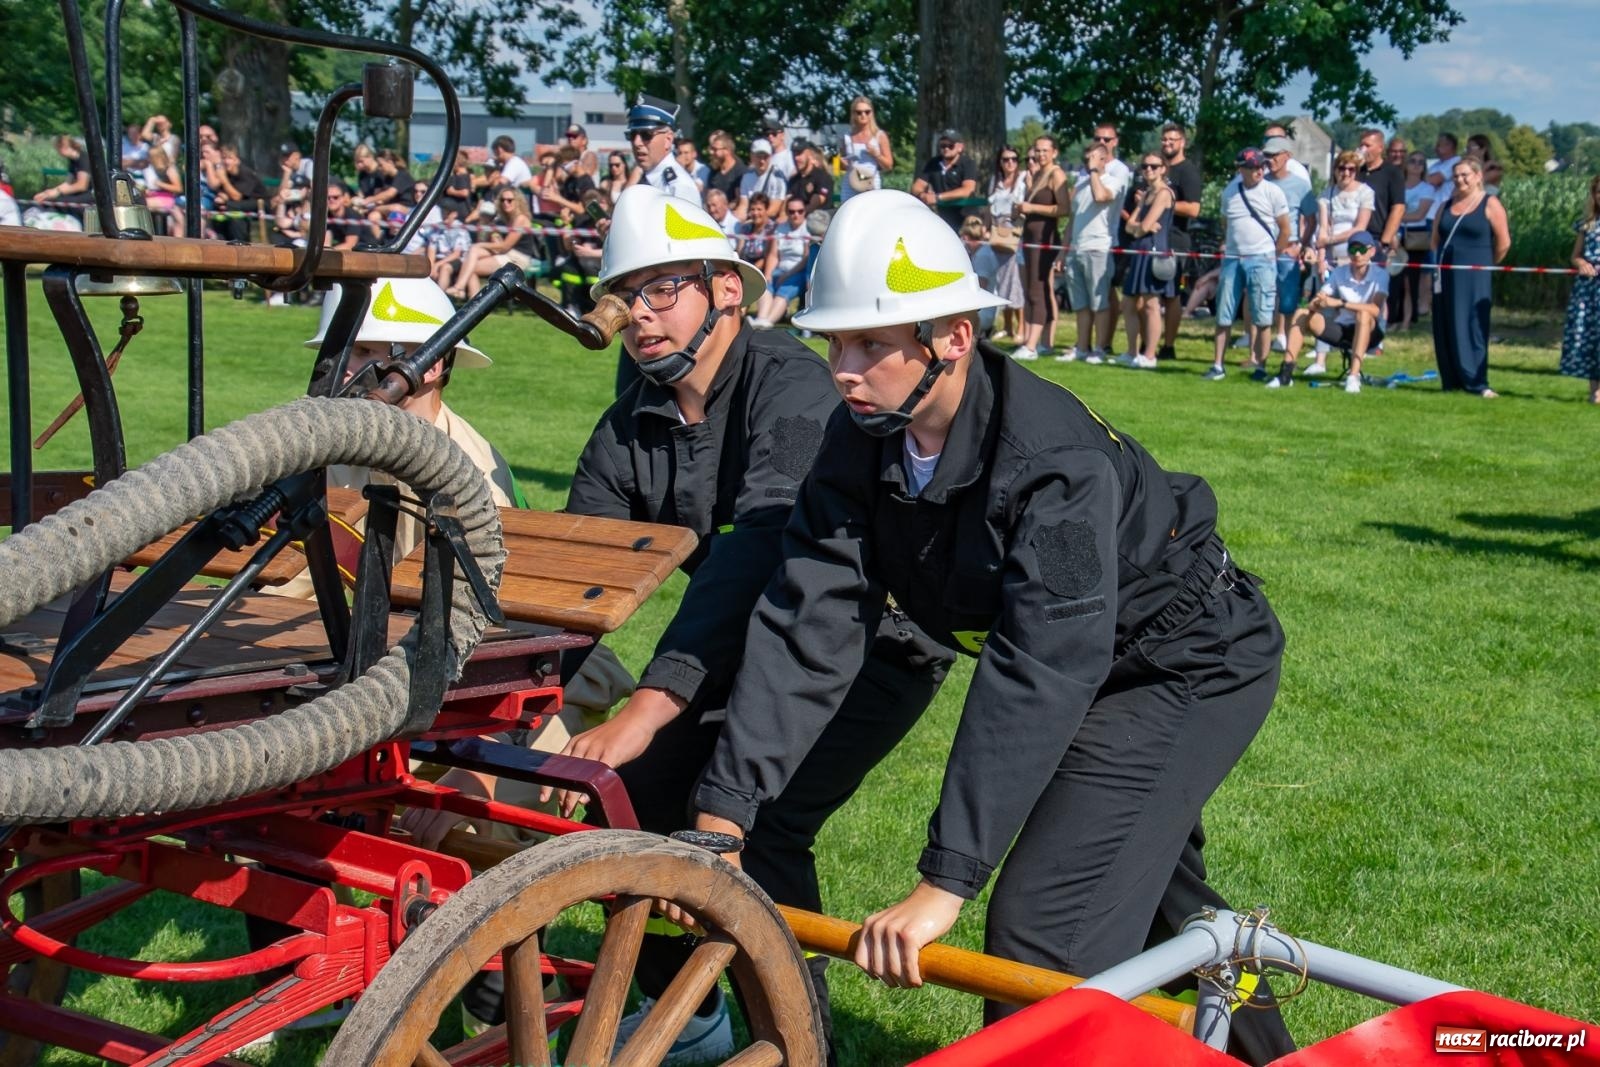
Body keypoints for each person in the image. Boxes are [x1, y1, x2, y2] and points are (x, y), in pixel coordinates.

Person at [685, 188, 1295, 1066]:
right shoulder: (859, 438)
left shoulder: (1053, 463)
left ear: (954, 338)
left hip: (1185, 661)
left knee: (1044, 931)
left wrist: (945, 881)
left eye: (870, 344)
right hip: (1095, 657)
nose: (843, 368)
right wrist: (726, 810)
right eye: (834, 341)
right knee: (1160, 896)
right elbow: (807, 618)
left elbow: (1040, 665)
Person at [538, 185, 952, 1063]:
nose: (641, 316)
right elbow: (578, 569)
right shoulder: (633, 423)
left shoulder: (794, 383)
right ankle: (687, 1019)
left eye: (664, 288)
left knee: (757, 824)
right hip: (740, 637)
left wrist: (648, 706)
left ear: (727, 288)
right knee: (633, 806)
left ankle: (800, 1036)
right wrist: (521, 695)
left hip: (868, 639)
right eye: (626, 295)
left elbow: (761, 547)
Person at [1206, 148, 1290, 380]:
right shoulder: (1230, 192)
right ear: (1241, 169)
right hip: (1233, 259)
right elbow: (1226, 224)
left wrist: (1274, 254)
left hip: (1262, 259)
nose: (1258, 171)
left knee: (1263, 316)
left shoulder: (1273, 192)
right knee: (1224, 313)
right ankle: (1217, 365)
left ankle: (1261, 367)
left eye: (1261, 166)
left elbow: (1285, 229)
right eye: (1253, 167)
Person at [1267, 233, 1387, 390]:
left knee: (1363, 315)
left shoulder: (1381, 274)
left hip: (1370, 331)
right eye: (1353, 249)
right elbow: (1321, 297)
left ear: (1371, 251)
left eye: (1362, 249)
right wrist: (1318, 302)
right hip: (1341, 328)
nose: (1357, 254)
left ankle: (1353, 376)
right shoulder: (1339, 272)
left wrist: (1340, 303)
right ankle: (1286, 373)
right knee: (1301, 313)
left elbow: (1375, 309)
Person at [1432, 156, 1510, 397]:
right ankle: (1452, 380)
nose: (1460, 180)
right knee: (1445, 323)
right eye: (1456, 176)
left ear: (1478, 176)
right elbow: (1435, 239)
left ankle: (1477, 381)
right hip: (1445, 274)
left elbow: (1504, 242)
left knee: (1472, 325)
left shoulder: (1490, 203)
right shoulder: (1445, 205)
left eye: (1465, 174)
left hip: (1475, 275)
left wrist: (1487, 264)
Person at [1062, 139, 1128, 363]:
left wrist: (1093, 172)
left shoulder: (1113, 181)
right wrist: (1064, 251)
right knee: (1080, 304)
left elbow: (1101, 197)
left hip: (1099, 248)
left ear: (1103, 158)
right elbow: (1072, 220)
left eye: (1093, 158)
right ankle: (1081, 347)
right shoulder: (1081, 184)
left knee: (1099, 303)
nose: (1088, 162)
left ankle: (1099, 348)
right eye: (1086, 158)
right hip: (1076, 249)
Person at [1009, 135, 1066, 361]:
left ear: (1054, 152)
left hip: (1045, 238)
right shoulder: (1039, 175)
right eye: (1037, 151)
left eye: (1045, 151)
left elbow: (1063, 208)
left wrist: (1031, 206)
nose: (1041, 155)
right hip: (1031, 237)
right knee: (1032, 289)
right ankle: (1037, 341)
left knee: (1037, 288)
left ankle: (1032, 345)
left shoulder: (1056, 174)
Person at [1117, 153, 1174, 369]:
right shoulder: (1147, 193)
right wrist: (1139, 227)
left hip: (1154, 252)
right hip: (1139, 251)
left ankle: (1149, 355)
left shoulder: (1164, 193)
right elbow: (1132, 226)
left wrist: (1139, 227)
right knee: (1129, 302)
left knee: (1151, 304)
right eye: (1145, 166)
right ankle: (1132, 351)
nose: (1148, 170)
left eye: (1154, 166)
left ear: (1163, 169)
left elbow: (1142, 225)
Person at [1264, 135, 1316, 357]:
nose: (1269, 159)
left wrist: (1301, 246)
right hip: (1264, 248)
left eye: (1274, 155)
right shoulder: (1261, 181)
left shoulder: (1301, 186)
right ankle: (1263, 342)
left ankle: (1285, 337)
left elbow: (1311, 220)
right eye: (1267, 155)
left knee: (1288, 297)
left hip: (1289, 249)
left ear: (1287, 156)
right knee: (1264, 295)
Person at [1159, 123, 1205, 361]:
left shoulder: (1188, 171)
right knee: (1149, 296)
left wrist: (1165, 203)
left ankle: (1168, 346)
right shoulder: (1157, 168)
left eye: (1172, 139)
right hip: (1153, 240)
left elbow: (1195, 209)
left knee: (1171, 295)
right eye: (1165, 139)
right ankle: (1148, 343)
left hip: (1176, 242)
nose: (1167, 143)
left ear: (1182, 142)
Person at [447, 187, 538, 299]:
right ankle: (470, 297)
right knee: (473, 255)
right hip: (506, 254)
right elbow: (497, 242)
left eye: (509, 200)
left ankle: (463, 291)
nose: (505, 203)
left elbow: (505, 246)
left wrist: (482, 244)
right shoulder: (503, 219)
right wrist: (493, 236)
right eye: (502, 200)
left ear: (518, 201)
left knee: (472, 263)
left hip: (517, 257)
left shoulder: (521, 219)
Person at [1559, 174, 1600, 404]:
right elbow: (1575, 256)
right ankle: (1594, 390)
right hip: (1587, 289)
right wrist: (1582, 263)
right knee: (1588, 337)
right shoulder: (1587, 224)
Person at [985, 144, 1027, 342]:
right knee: (1002, 282)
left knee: (1015, 281)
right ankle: (1007, 326)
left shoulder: (1023, 179)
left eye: (1013, 159)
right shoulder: (996, 181)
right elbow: (989, 207)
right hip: (997, 232)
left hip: (1015, 232)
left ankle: (1021, 327)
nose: (1010, 163)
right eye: (1005, 159)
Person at [1394, 151, 1438, 331]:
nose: (1416, 165)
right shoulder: (1398, 186)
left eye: (1421, 162)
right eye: (1413, 161)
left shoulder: (1427, 188)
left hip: (1416, 236)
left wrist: (1397, 217)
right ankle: (1394, 318)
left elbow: (1420, 214)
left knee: (1411, 281)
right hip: (1396, 235)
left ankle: (1408, 320)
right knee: (1395, 279)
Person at [627, 96, 700, 203]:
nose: (637, 143)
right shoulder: (643, 178)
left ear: (668, 140)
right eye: (632, 135)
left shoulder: (678, 187)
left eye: (646, 135)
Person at [752, 196, 811, 328]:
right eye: (791, 211)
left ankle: (768, 322)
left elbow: (806, 257)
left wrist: (787, 274)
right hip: (780, 269)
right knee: (766, 286)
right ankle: (761, 319)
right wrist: (768, 274)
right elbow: (773, 255)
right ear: (787, 212)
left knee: (783, 292)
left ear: (804, 211)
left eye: (800, 211)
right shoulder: (780, 229)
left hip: (799, 272)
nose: (796, 215)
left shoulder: (808, 229)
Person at [910, 129, 978, 231]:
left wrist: (938, 197)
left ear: (960, 147)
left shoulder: (968, 164)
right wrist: (923, 195)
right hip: (945, 219)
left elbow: (968, 190)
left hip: (967, 218)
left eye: (950, 146)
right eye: (943, 146)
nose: (946, 148)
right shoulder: (933, 164)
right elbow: (917, 187)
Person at [1316, 150, 1374, 268]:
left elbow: (1360, 228)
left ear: (1356, 171)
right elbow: (1323, 228)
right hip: (1330, 256)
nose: (1346, 173)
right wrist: (1321, 259)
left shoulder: (1366, 192)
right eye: (1342, 168)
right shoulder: (1325, 195)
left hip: (1356, 254)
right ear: (1335, 170)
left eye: (1351, 169)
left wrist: (1329, 240)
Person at [1358, 128, 1406, 261]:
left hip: (1377, 237)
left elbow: (1398, 208)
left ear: (1380, 148)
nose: (1363, 149)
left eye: (1367, 145)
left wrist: (1384, 241)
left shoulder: (1392, 172)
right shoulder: (1355, 171)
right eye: (1361, 145)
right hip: (1355, 234)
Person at [839, 95, 893, 201]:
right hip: (851, 183)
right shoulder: (846, 137)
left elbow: (889, 166)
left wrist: (876, 155)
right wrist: (841, 164)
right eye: (859, 112)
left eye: (867, 112)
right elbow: (838, 168)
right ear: (853, 114)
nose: (863, 115)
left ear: (872, 113)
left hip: (870, 183)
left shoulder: (879, 136)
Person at [959, 216, 1001, 336]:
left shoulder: (984, 256)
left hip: (983, 313)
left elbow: (980, 288)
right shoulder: (980, 253)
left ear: (966, 238)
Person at [735, 138, 788, 220]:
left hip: (769, 221)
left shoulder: (777, 177)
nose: (762, 161)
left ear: (770, 157)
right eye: (759, 157)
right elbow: (743, 205)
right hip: (751, 218)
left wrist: (754, 219)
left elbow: (774, 209)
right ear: (752, 156)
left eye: (765, 157)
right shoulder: (747, 176)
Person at [703, 130, 747, 216]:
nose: (712, 153)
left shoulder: (739, 170)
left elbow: (738, 200)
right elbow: (709, 195)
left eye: (716, 150)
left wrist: (724, 210)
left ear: (727, 150)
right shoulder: (714, 171)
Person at [787, 141, 834, 213]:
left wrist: (800, 215)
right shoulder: (794, 179)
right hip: (797, 219)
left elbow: (816, 202)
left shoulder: (822, 177)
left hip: (819, 219)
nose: (796, 158)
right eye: (794, 155)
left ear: (808, 155)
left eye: (799, 154)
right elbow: (788, 201)